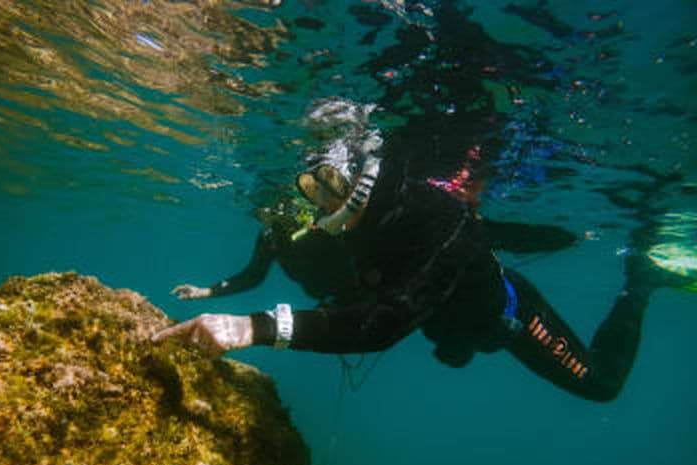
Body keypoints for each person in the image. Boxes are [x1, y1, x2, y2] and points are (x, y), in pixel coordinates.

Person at [152, 110, 685, 403]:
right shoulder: (360, 223)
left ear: (360, 181)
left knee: (601, 386)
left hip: (509, 317)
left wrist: (253, 328)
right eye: (311, 191)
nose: (319, 205)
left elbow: (381, 325)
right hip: (448, 325)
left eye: (327, 187)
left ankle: (638, 281)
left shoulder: (439, 221)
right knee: (454, 346)